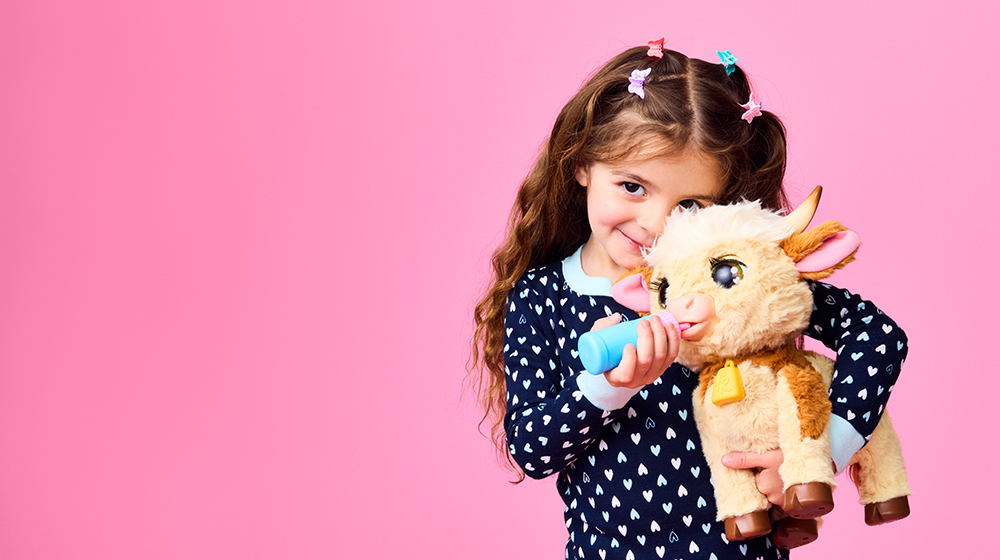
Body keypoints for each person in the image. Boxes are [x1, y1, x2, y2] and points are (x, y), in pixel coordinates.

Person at [469, 44, 907, 559]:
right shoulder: (543, 296)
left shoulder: (730, 279)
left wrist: (823, 448)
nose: (654, 224)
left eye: (690, 205)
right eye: (632, 186)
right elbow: (533, 450)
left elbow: (878, 336)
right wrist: (608, 387)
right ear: (584, 163)